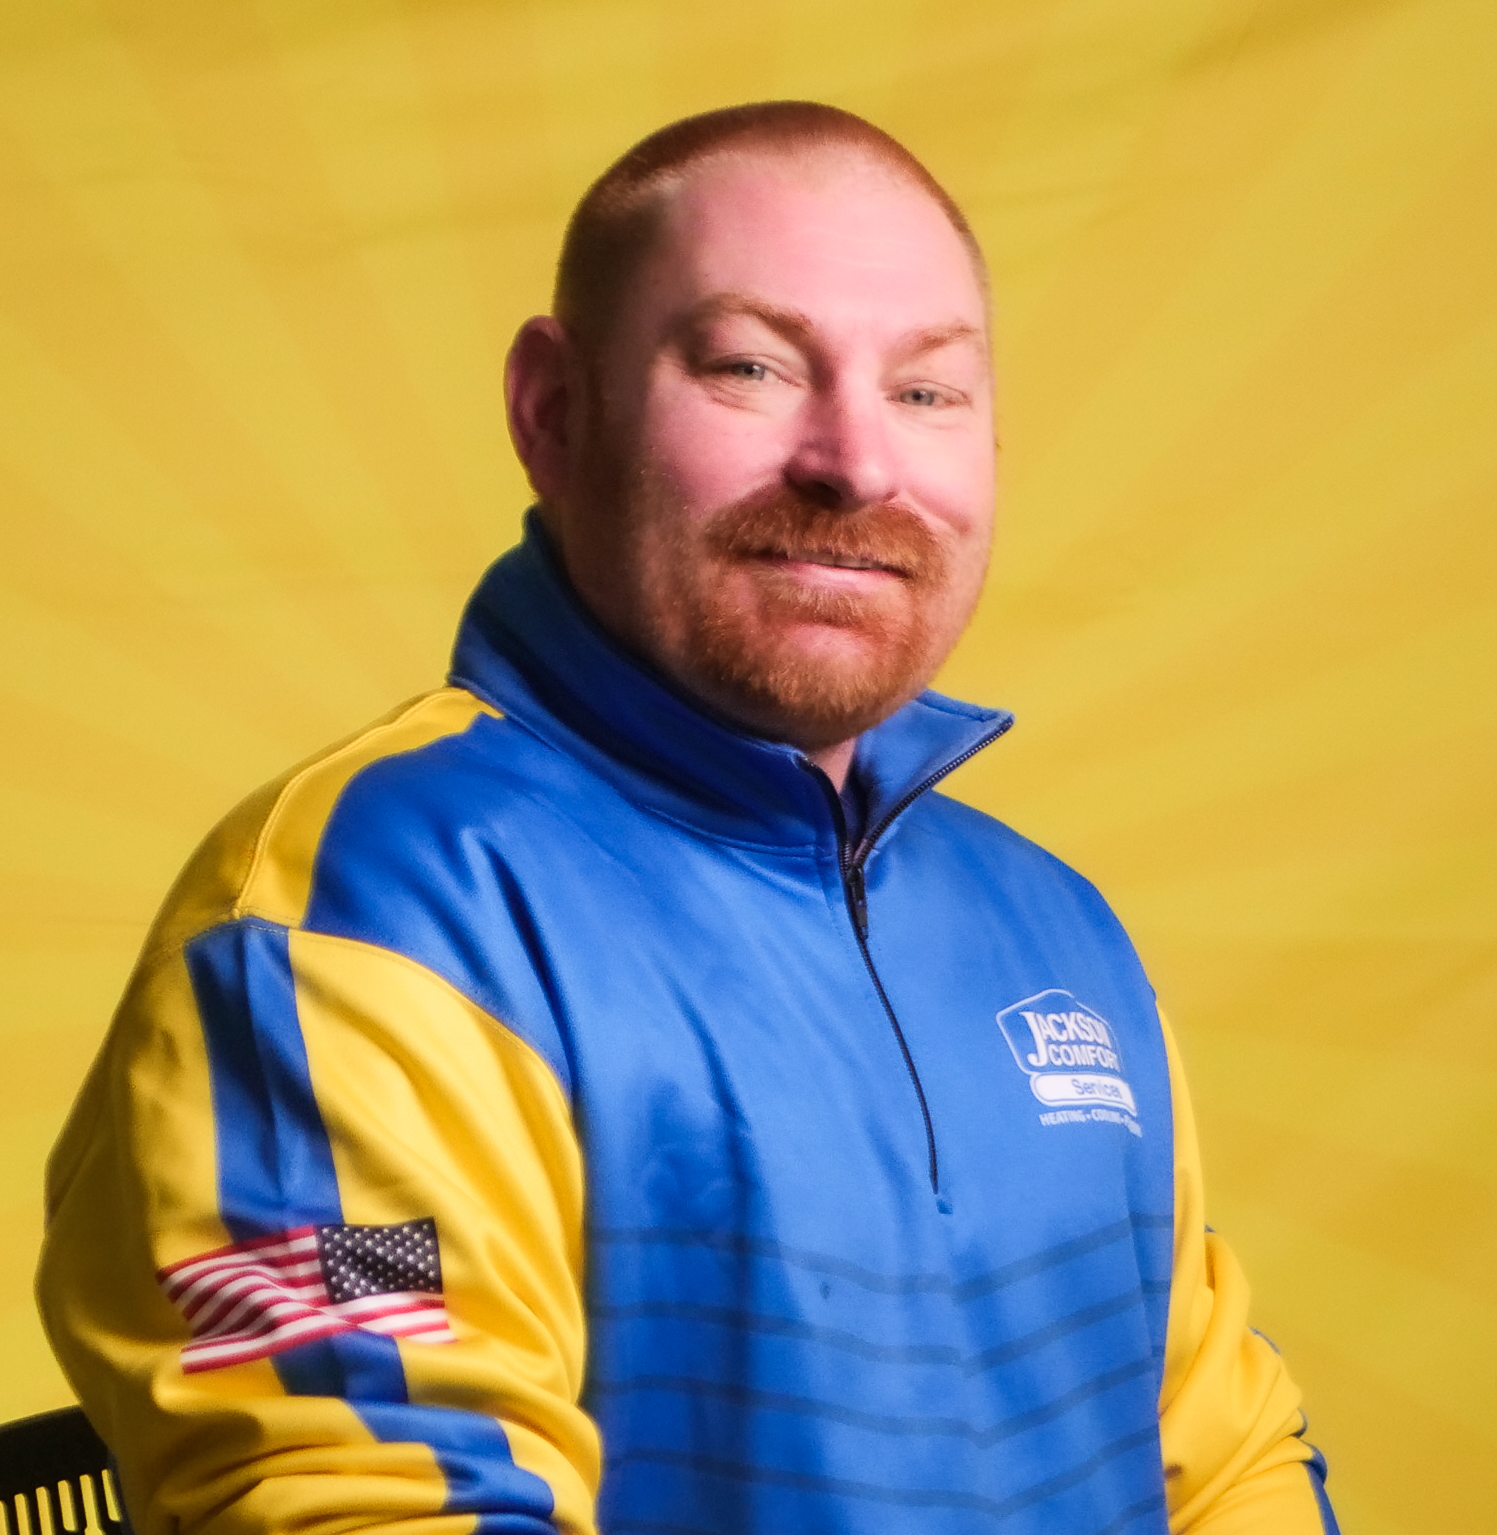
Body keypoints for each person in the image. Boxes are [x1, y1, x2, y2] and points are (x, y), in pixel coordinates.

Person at [38, 102, 1339, 1535]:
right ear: (554, 411)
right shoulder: (345, 928)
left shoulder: (1055, 937)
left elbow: (1222, 1461)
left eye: (926, 392)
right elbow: (363, 1497)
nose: (856, 461)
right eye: (751, 366)